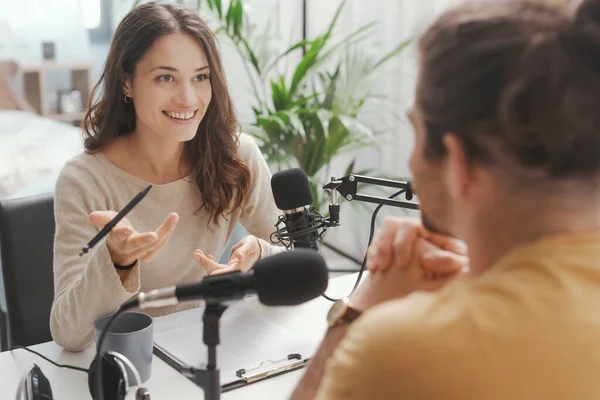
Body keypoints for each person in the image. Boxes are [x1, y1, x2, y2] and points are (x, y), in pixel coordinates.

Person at [292, 0, 600, 398]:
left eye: (416, 133)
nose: (409, 160)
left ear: (458, 162)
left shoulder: (401, 350)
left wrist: (358, 311)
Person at [50, 2, 282, 352]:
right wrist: (117, 261)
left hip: (209, 346)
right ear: (127, 82)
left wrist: (258, 253)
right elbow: (68, 334)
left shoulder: (236, 157)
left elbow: (298, 253)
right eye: (165, 77)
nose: (188, 98)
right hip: (128, 360)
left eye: (200, 77)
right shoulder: (84, 180)